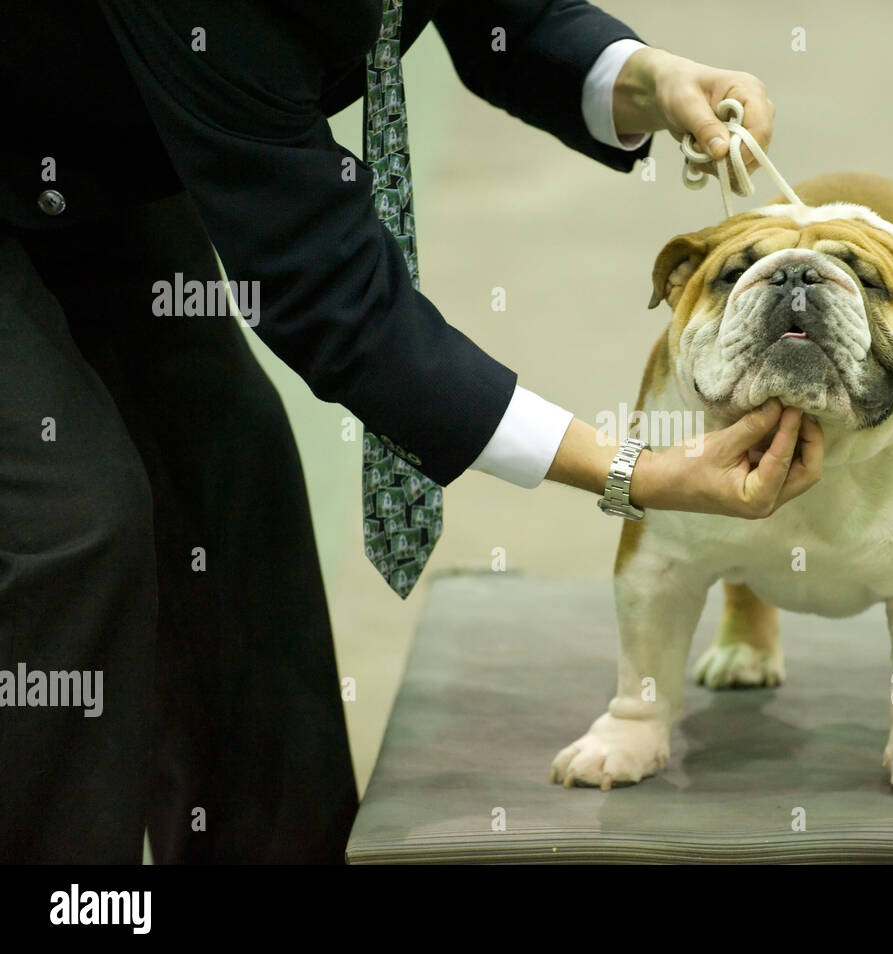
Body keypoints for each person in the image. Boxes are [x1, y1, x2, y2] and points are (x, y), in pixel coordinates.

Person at [0, 0, 822, 864]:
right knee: (69, 530)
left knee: (230, 476)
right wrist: (628, 471)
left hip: (79, 131)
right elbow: (333, 298)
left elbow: (508, 15)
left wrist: (648, 77)